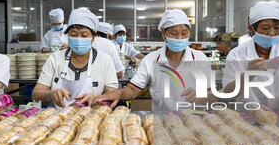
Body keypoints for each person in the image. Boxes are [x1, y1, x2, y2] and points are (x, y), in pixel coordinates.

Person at [83, 9, 216, 111]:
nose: (180, 38)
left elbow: (212, 95)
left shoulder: (199, 58)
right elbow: (132, 90)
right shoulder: (152, 60)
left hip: (194, 122)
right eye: (174, 33)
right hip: (162, 123)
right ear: (163, 33)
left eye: (184, 33)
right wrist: (108, 95)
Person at [223, 1, 279, 110]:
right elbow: (229, 94)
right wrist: (247, 75)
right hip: (249, 118)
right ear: (251, 29)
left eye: (277, 28)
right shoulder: (237, 54)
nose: (272, 33)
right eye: (265, 28)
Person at [32, 8, 118, 108]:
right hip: (57, 119)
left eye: (84, 35)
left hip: (93, 119)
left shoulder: (105, 61)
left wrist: (97, 98)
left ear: (93, 37)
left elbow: (112, 96)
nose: (78, 39)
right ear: (68, 36)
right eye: (73, 34)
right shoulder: (55, 58)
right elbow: (36, 95)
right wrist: (50, 94)